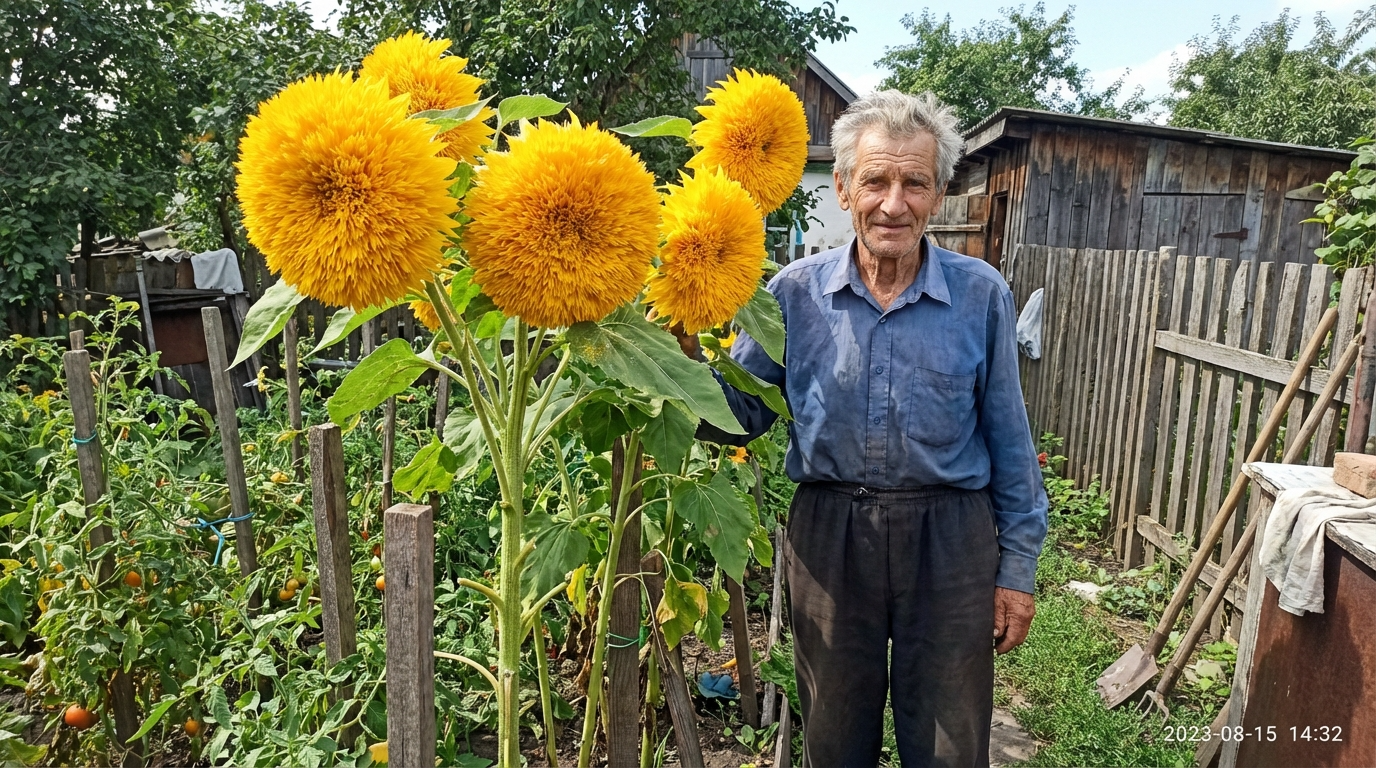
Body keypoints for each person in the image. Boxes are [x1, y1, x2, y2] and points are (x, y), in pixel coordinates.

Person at [693, 90, 1048, 767]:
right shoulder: (793, 294)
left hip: (950, 540)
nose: (893, 203)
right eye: (876, 181)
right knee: (833, 734)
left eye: (914, 183)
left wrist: (1017, 571)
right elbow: (740, 413)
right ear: (843, 188)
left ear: (938, 193)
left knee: (950, 740)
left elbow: (1010, 441)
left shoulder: (980, 295)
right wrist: (672, 365)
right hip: (830, 536)